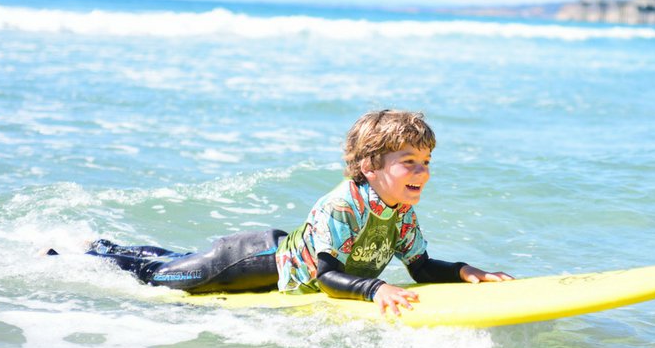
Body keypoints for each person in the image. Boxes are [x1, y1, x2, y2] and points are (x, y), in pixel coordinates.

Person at [84, 110, 513, 315]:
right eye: (409, 162)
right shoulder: (343, 206)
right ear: (370, 166)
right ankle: (90, 253)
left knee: (175, 260)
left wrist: (463, 271)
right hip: (245, 262)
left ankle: (108, 246)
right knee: (159, 276)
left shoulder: (399, 210)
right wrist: (376, 289)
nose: (422, 171)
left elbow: (420, 267)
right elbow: (326, 277)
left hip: (275, 251)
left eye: (426, 162)